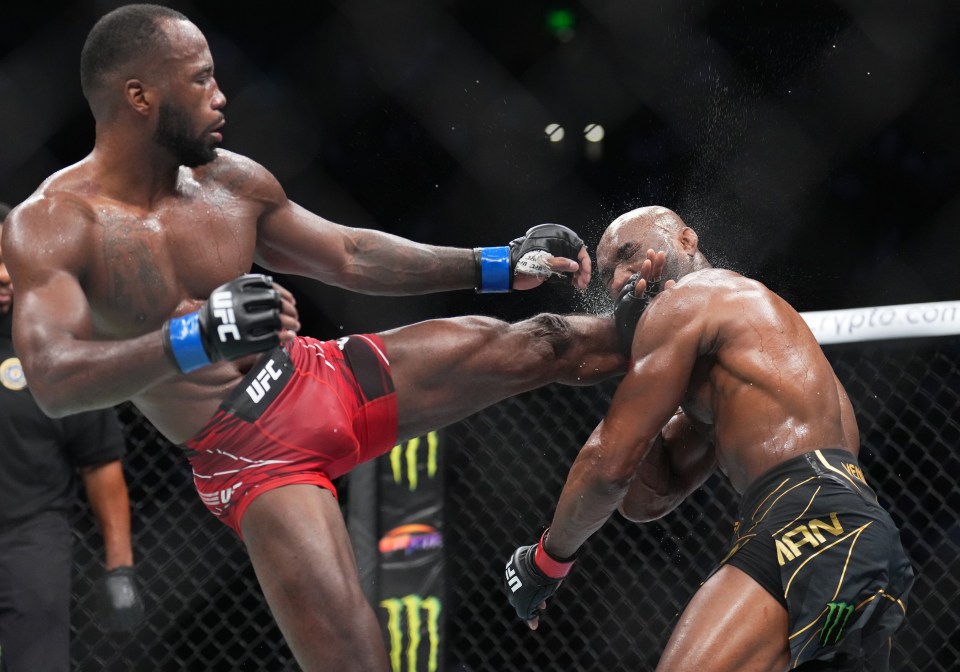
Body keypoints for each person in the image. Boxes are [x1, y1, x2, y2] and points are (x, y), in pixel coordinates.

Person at [1, 6, 625, 671]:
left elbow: (351, 254)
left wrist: (496, 264)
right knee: (356, 661)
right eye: (201, 79)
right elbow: (55, 379)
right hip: (253, 459)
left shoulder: (229, 181)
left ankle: (689, 322)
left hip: (322, 376)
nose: (221, 96)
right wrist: (196, 338)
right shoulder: (54, 225)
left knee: (546, 341)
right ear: (140, 96)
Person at [503, 205, 915, 671]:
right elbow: (645, 499)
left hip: (808, 524)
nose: (619, 279)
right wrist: (640, 357)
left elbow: (608, 463)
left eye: (629, 253)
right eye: (608, 276)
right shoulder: (744, 361)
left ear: (685, 240)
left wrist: (546, 560)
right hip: (857, 534)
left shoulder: (699, 298)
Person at [0, 202, 144, 672]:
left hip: (29, 535)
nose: (4, 275)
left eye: (10, 259)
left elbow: (99, 461)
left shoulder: (54, 347)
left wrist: (120, 568)